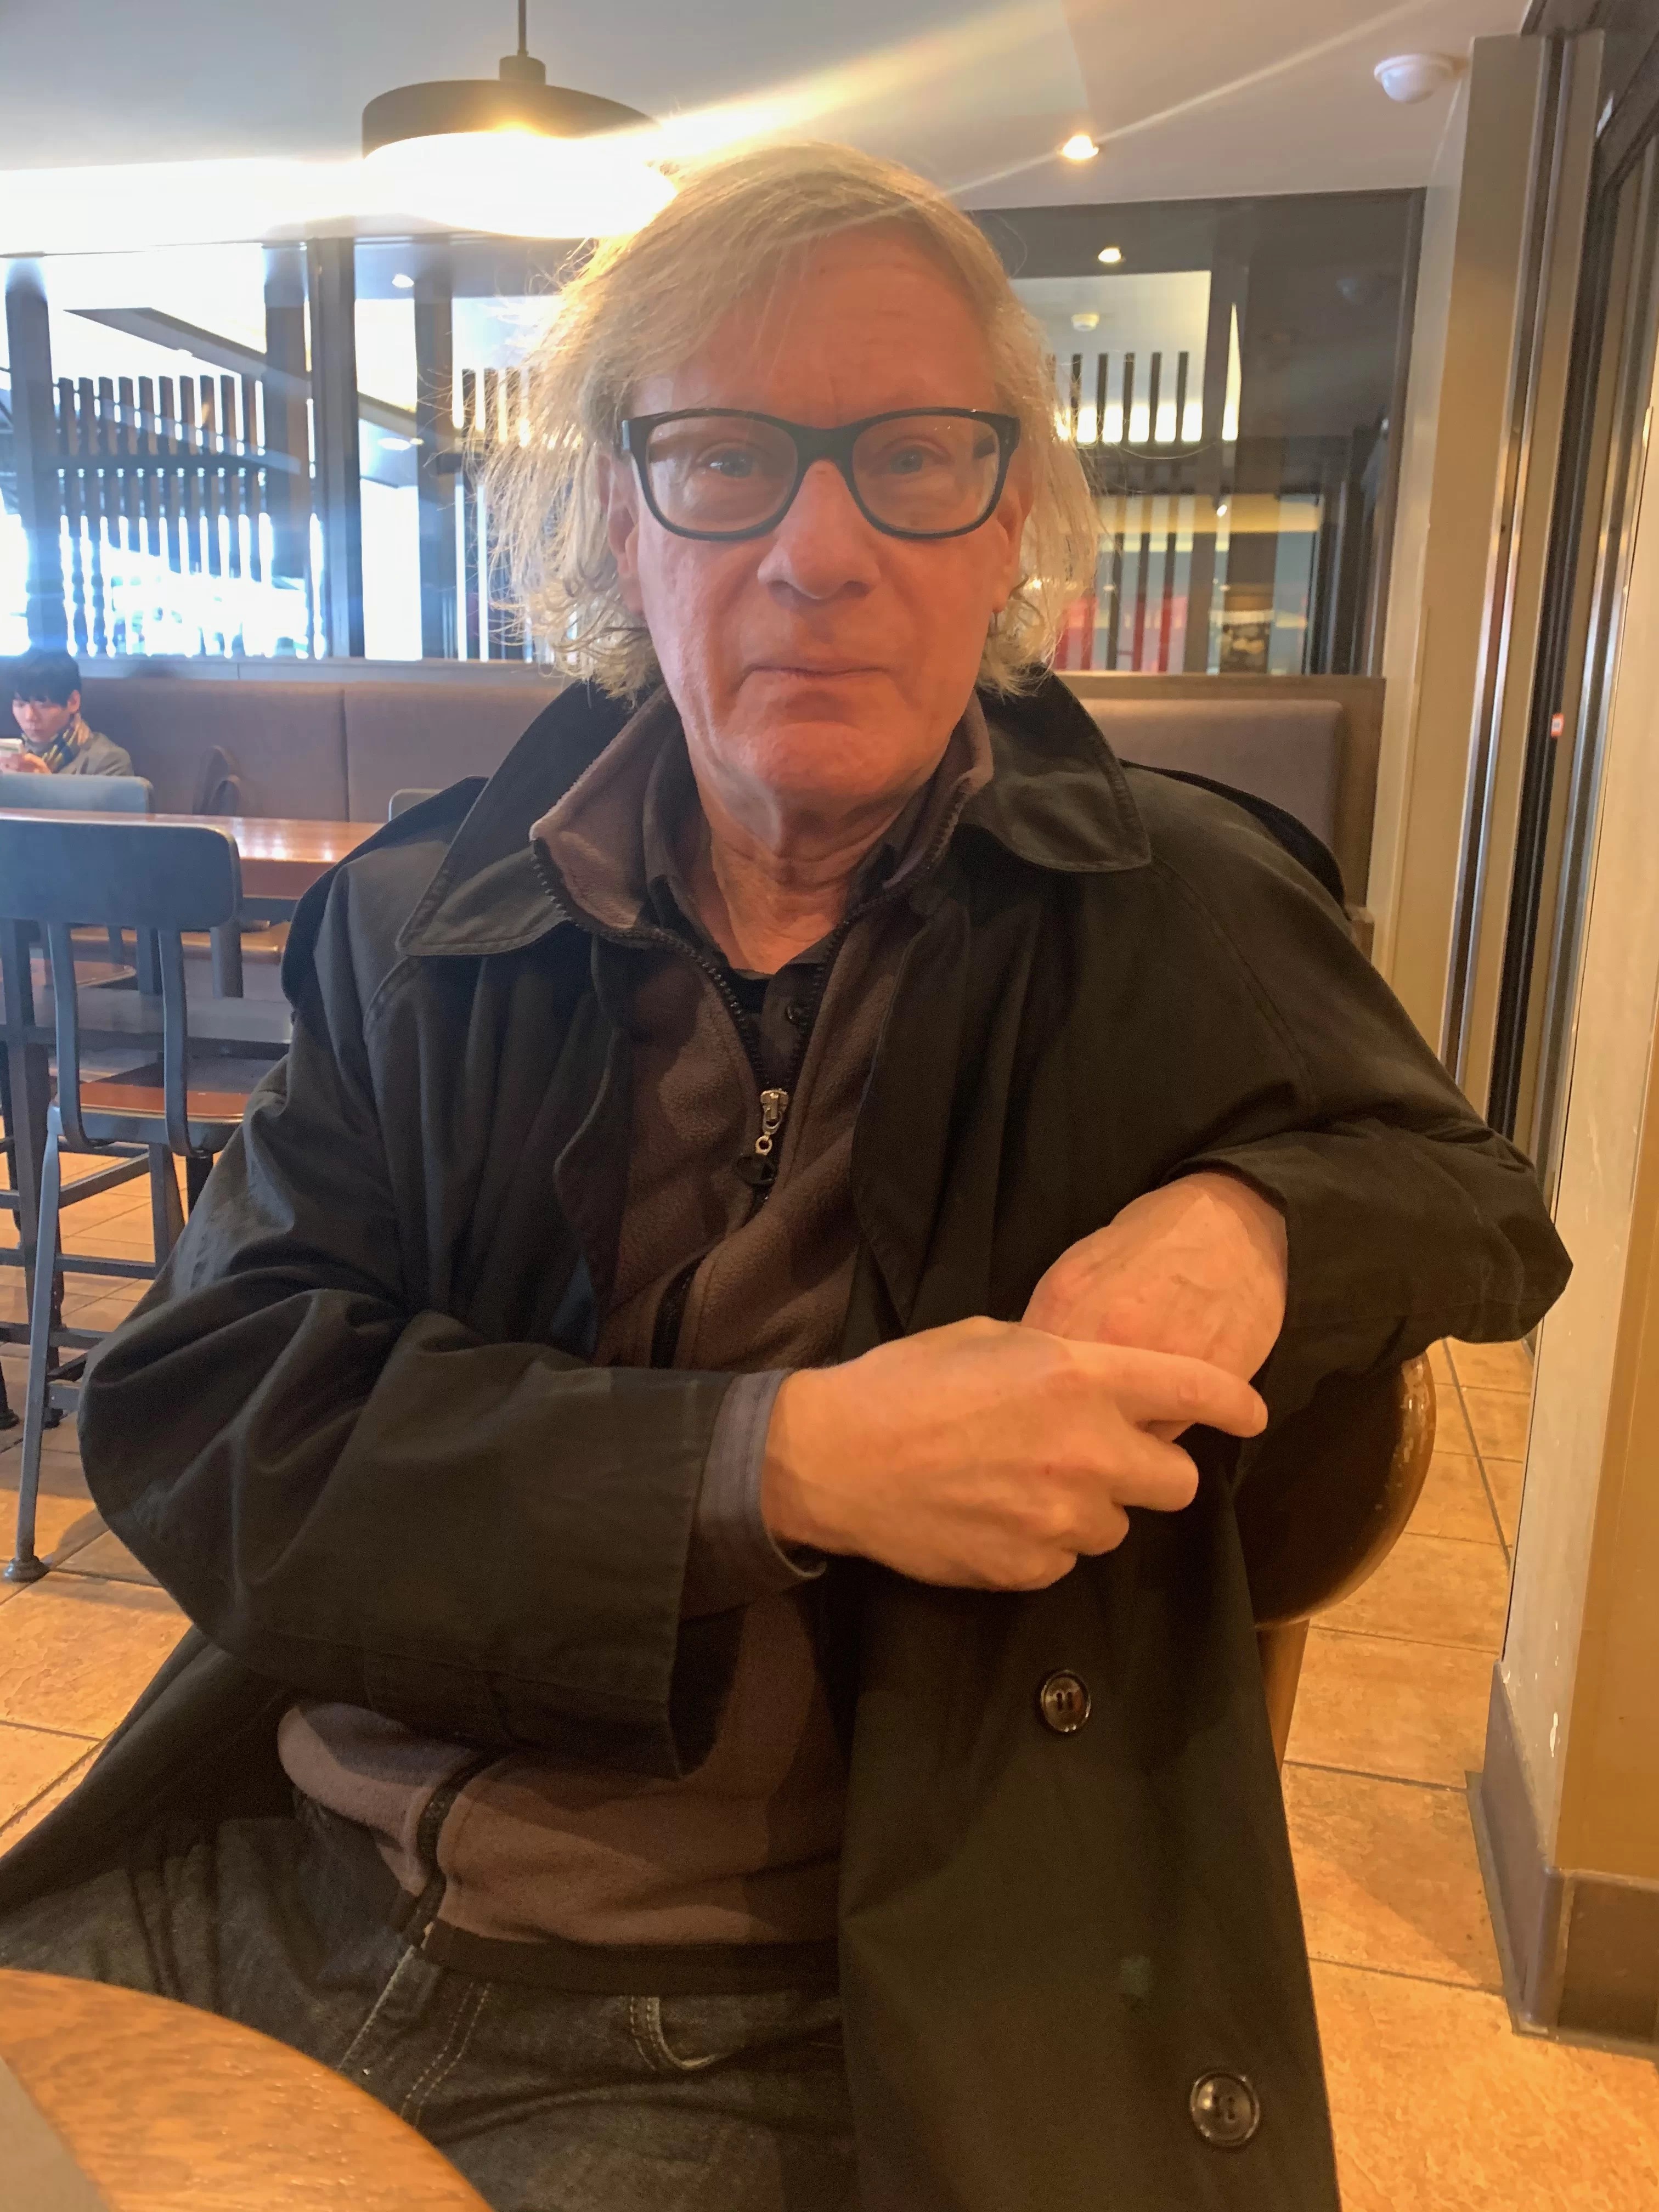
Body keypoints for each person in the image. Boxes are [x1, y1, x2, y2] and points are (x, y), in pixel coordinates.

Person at [0, 146, 1569, 2212]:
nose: (816, 551)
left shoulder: (1166, 906)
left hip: (767, 2012)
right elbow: (211, 1424)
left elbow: (1478, 1201)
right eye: (726, 459)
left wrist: (1255, 1220)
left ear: (1005, 522)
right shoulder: (421, 921)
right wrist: (785, 1462)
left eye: (909, 457)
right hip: (270, 1871)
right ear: (618, 523)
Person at [3, 648, 132, 777]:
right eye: (20, 705)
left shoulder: (109, 761)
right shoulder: (10, 755)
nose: (30, 717)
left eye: (43, 705)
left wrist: (44, 784)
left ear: (73, 702)